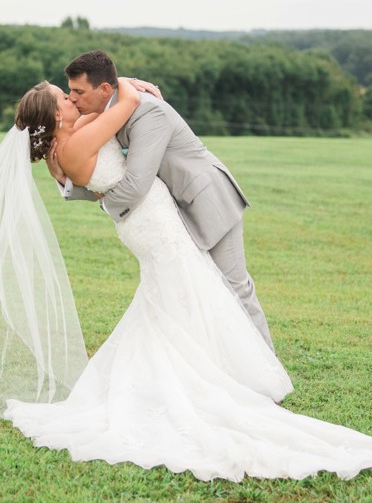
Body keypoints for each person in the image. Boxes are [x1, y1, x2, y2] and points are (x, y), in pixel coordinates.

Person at [0, 74, 372, 482]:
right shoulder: (83, 135)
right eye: (62, 97)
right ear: (55, 115)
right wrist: (128, 85)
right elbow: (126, 102)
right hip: (153, 225)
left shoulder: (57, 154)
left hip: (144, 225)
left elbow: (96, 164)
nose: (70, 98)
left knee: (172, 301)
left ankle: (219, 369)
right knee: (193, 293)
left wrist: (114, 95)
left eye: (71, 92)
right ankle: (230, 376)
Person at [47, 50, 274, 349]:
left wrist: (106, 203)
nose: (73, 98)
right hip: (174, 209)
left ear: (103, 89)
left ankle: (268, 376)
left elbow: (136, 184)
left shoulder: (147, 112)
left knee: (235, 287)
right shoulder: (110, 110)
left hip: (207, 201)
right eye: (70, 92)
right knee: (197, 292)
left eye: (78, 91)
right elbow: (111, 173)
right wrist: (69, 184)